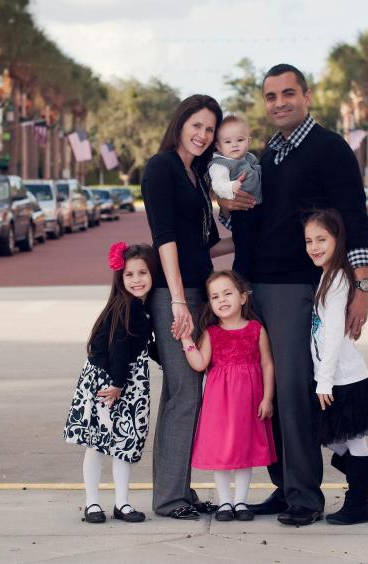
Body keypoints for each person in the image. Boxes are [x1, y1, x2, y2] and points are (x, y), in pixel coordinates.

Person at [217, 64, 368, 526]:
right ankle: (286, 488)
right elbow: (254, 220)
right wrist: (228, 207)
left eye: (288, 93)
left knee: (292, 393)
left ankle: (305, 496)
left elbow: (354, 219)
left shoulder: (330, 149)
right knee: (264, 391)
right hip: (254, 286)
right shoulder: (267, 155)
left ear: (306, 97)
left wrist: (362, 287)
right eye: (271, 96)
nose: (279, 102)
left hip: (295, 287)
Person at [141, 94, 234, 519]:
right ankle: (170, 499)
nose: (203, 134)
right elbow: (165, 238)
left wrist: (253, 235)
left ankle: (175, 490)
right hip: (174, 295)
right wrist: (178, 300)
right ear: (180, 123)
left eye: (210, 129)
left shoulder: (196, 175)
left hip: (198, 292)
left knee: (181, 393)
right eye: (196, 125)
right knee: (185, 392)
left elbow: (204, 245)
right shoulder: (161, 168)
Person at [304, 209, 368, 525]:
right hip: (332, 375)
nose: (314, 247)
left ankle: (358, 504)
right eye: (309, 241)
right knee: (332, 437)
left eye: (321, 239)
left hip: (345, 377)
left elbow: (332, 335)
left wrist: (324, 380)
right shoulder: (326, 277)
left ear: (338, 240)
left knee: (354, 439)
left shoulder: (338, 280)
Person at [63, 242, 159, 525]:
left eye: (143, 273)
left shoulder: (143, 307)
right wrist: (117, 384)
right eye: (129, 274)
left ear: (153, 274)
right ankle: (92, 502)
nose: (137, 280)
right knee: (97, 443)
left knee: (123, 444)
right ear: (120, 278)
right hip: (108, 382)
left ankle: (121, 503)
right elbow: (118, 347)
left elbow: (144, 345)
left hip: (126, 381)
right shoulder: (126, 306)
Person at [181, 270, 276, 522]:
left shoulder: (256, 329)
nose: (222, 300)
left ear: (242, 297)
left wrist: (267, 398)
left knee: (245, 451)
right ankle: (225, 502)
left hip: (248, 403)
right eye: (215, 296)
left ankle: (240, 501)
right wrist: (186, 339)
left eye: (227, 293)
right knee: (221, 452)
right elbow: (200, 363)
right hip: (219, 404)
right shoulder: (211, 333)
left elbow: (267, 364)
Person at [208, 115, 261, 277]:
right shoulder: (220, 164)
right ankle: (240, 279)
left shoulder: (250, 158)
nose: (235, 145)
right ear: (218, 146)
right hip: (242, 213)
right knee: (244, 250)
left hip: (258, 208)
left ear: (248, 142)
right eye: (228, 142)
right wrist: (231, 186)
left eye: (240, 140)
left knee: (258, 246)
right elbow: (218, 184)